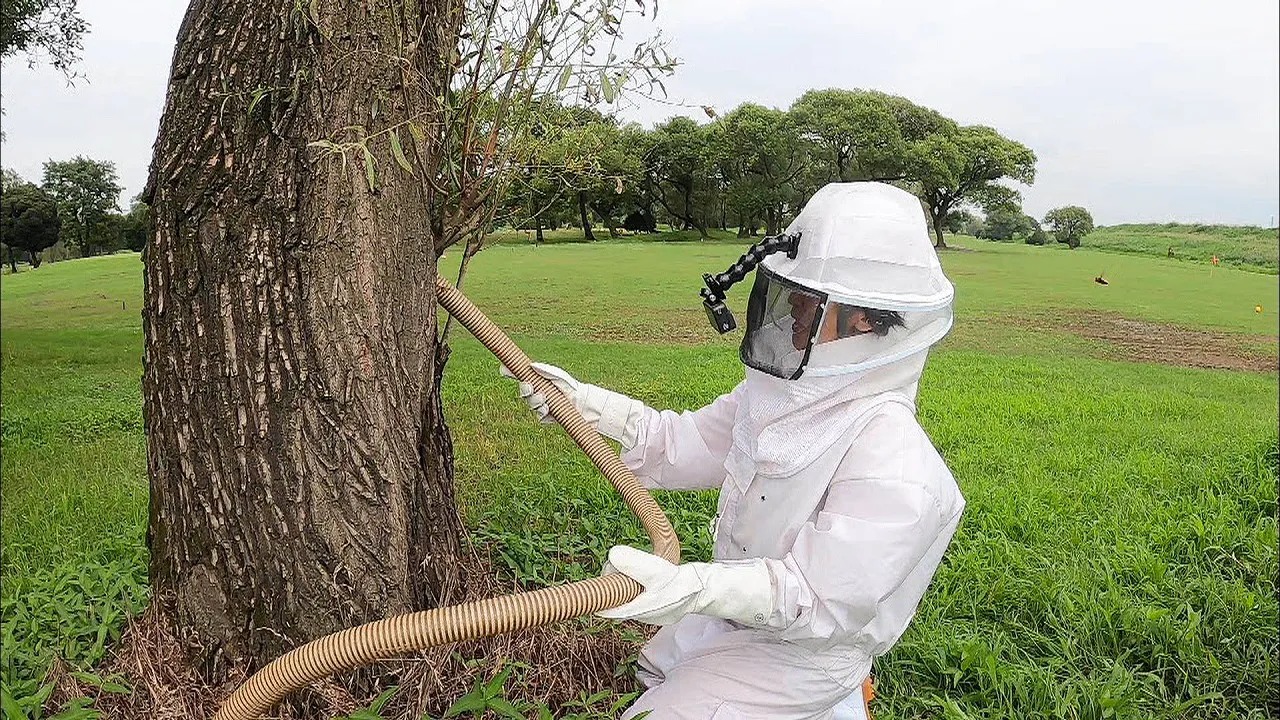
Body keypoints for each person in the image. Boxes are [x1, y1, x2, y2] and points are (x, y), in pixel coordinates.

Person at [501, 182, 965, 720]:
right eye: (788, 291)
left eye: (808, 299)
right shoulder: (784, 396)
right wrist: (583, 404)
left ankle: (837, 697)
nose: (790, 308)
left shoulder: (899, 470)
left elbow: (818, 601)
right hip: (738, 617)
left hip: (807, 655)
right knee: (659, 669)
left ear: (862, 317)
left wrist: (690, 587)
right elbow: (684, 444)